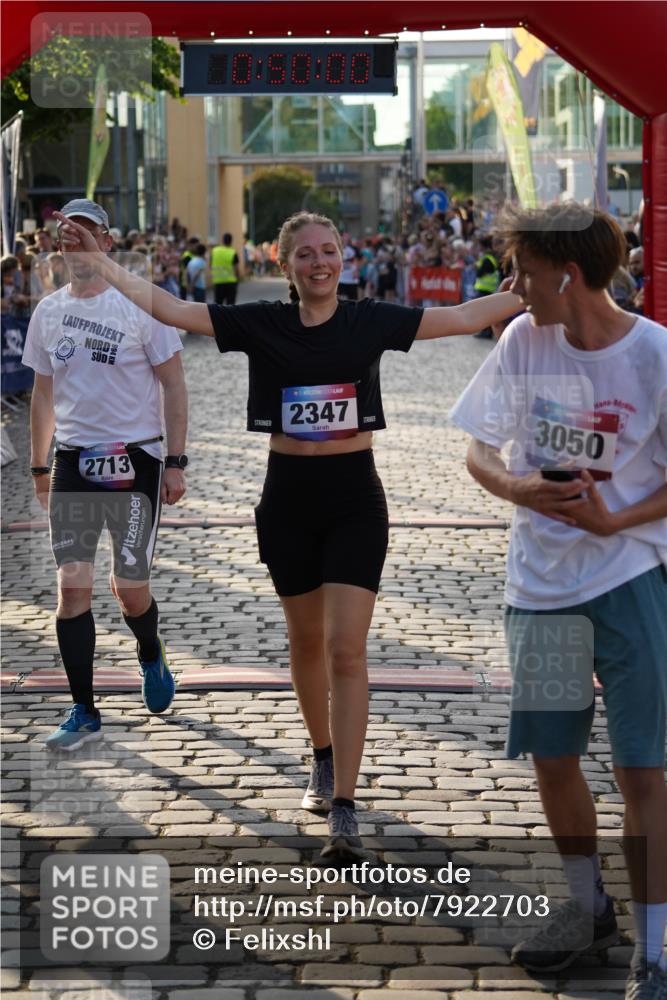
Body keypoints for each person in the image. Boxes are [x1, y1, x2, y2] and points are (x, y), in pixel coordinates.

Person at [54, 207, 521, 860]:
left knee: (345, 650)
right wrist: (102, 264)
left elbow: (464, 319)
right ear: (284, 264)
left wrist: (532, 282)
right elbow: (173, 309)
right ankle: (321, 756)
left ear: (344, 257)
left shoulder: (370, 319)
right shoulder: (262, 323)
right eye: (304, 253)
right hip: (286, 502)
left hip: (356, 498)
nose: (319, 262)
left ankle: (346, 808)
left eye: (328, 250)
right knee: (305, 643)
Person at [450, 203, 667, 998]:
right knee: (552, 757)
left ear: (566, 275)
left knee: (642, 769)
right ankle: (585, 907)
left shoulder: (654, 356)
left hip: (628, 586)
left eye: (523, 273)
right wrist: (514, 484)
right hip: (538, 591)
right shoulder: (521, 340)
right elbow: (477, 442)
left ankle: (656, 943)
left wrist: (615, 518)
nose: (513, 288)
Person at [23, 199, 188, 752]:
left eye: (88, 232)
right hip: (73, 462)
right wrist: (40, 464)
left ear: (109, 243)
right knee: (73, 586)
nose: (76, 241)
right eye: (68, 233)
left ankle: (149, 651)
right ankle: (84, 710)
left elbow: (174, 383)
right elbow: (43, 395)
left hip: (135, 461)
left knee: (129, 589)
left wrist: (176, 460)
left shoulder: (138, 305)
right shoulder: (47, 311)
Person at [473, 234, 501, 338]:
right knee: (485, 311)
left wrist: (477, 267)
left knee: (482, 312)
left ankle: (485, 332)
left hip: (484, 289)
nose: (478, 248)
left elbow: (479, 273)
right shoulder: (490, 258)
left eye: (480, 246)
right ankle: (486, 331)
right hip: (488, 289)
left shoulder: (487, 259)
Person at [211, 232, 240, 306]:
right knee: (230, 307)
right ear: (231, 241)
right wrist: (237, 280)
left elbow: (210, 265)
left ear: (222, 240)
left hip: (218, 282)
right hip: (230, 283)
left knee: (218, 306)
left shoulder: (214, 251)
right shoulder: (233, 252)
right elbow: (236, 269)